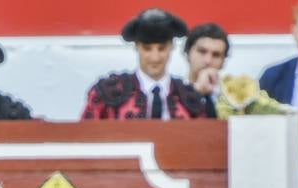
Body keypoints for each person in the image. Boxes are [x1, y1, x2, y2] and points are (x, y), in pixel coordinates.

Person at [82, 8, 212, 119]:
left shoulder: (189, 96)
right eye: (147, 48)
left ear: (171, 46)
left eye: (161, 48)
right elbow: (85, 140)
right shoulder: (107, 92)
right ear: (136, 46)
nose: (155, 58)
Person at [185, 22, 229, 117]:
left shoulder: (231, 99)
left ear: (223, 62)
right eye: (202, 51)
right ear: (188, 52)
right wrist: (196, 92)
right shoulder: (172, 93)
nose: (208, 61)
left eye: (216, 55)